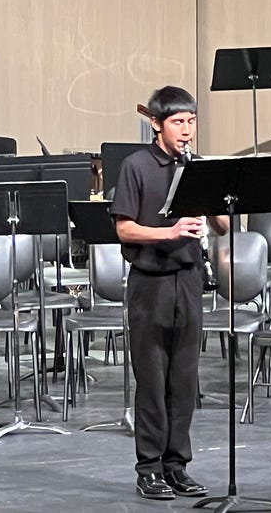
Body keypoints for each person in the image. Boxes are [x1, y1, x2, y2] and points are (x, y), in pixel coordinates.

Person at [110, 86, 228, 500]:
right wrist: (171, 231)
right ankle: (149, 469)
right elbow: (124, 228)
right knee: (152, 380)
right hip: (150, 283)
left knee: (184, 380)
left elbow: (223, 226)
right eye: (178, 122)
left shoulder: (196, 166)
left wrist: (213, 198)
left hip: (189, 279)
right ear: (157, 124)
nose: (187, 130)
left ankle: (177, 466)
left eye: (192, 121)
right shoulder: (136, 166)